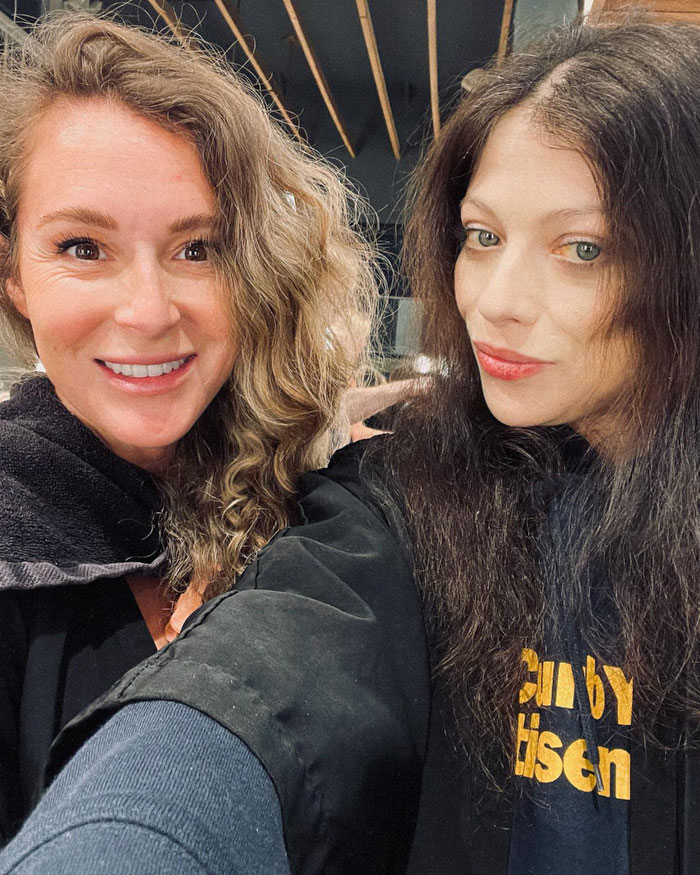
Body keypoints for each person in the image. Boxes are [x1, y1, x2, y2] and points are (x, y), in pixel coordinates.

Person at [3, 11, 700, 875]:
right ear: (12, 272)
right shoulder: (406, 497)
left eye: (584, 247)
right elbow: (269, 684)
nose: (499, 300)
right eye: (481, 236)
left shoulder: (287, 473)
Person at [0, 10, 376, 846]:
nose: (148, 311)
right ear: (15, 275)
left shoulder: (335, 511)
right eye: (83, 247)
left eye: (197, 248)